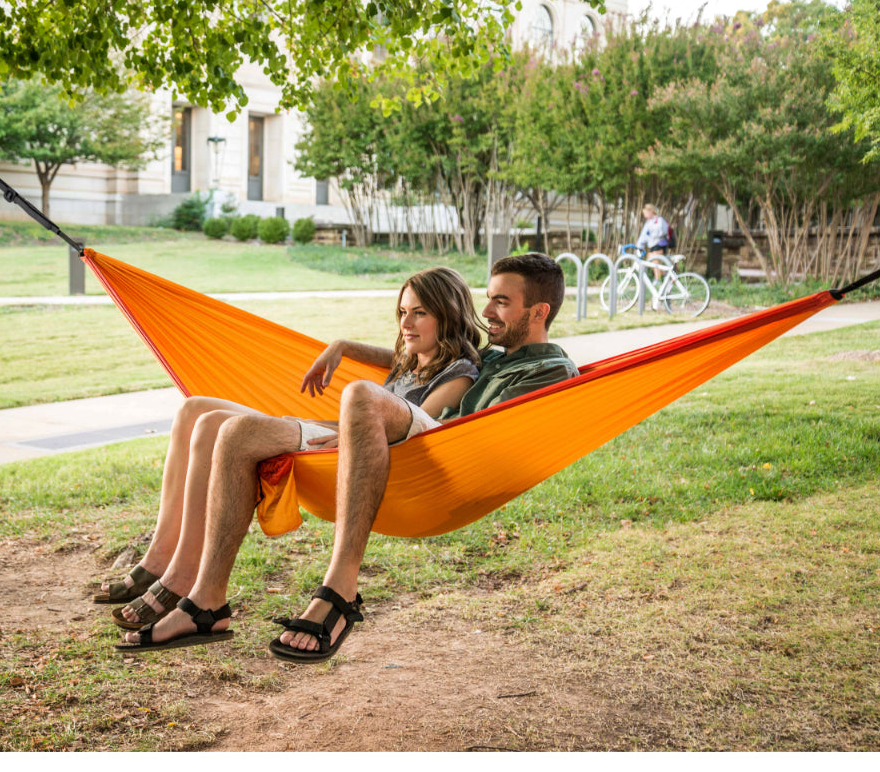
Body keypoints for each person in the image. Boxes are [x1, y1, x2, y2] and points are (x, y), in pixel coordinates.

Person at [131, 253, 579, 662]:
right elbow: (425, 355)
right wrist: (346, 346)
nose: (486, 313)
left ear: (538, 312)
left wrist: (355, 424)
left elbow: (481, 419)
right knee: (206, 415)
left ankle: (334, 591)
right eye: (487, 301)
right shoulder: (493, 353)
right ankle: (178, 579)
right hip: (406, 430)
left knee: (350, 396)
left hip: (438, 446)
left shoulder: (548, 368)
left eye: (501, 303)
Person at [99, 266, 483, 644]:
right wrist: (343, 346)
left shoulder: (458, 373)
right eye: (402, 312)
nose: (406, 323)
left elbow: (421, 431)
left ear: (447, 314)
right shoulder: (414, 359)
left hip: (354, 447)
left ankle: (198, 593)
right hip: (330, 427)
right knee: (196, 412)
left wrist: (348, 435)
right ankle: (162, 561)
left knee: (233, 431)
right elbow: (393, 357)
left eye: (420, 313)